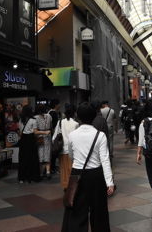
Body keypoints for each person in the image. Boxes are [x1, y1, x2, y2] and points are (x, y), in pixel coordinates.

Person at [62, 102, 114, 232]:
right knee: (99, 211)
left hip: (77, 174)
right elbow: (105, 160)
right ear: (93, 117)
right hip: (96, 175)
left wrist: (79, 162)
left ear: (78, 117)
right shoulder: (100, 135)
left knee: (77, 209)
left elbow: (71, 155)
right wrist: (110, 182)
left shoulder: (73, 135)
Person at [52, 103, 79, 189]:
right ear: (74, 113)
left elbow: (54, 137)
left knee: (63, 170)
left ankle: (65, 187)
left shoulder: (60, 122)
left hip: (62, 150)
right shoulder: (75, 124)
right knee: (72, 170)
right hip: (73, 151)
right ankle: (73, 187)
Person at [18, 105, 46, 183]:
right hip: (31, 140)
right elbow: (35, 132)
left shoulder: (21, 120)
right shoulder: (33, 120)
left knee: (23, 158)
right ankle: (32, 177)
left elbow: (20, 132)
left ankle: (22, 178)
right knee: (32, 158)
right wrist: (44, 132)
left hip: (23, 140)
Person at [34, 104, 52, 179]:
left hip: (39, 137)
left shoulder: (35, 118)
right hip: (48, 136)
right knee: (47, 154)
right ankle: (48, 172)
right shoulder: (49, 116)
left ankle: (41, 173)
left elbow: (35, 130)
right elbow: (51, 126)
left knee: (40, 155)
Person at [48, 99, 60, 173]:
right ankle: (52, 167)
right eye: (58, 104)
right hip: (54, 134)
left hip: (51, 134)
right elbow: (54, 126)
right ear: (55, 105)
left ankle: (52, 167)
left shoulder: (49, 112)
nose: (59, 105)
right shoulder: (54, 113)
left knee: (52, 152)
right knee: (54, 151)